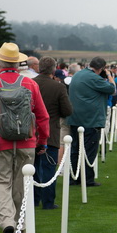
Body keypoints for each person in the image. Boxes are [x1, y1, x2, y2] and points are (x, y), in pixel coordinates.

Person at [0, 42, 50, 233]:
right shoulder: (30, 83)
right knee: (22, 184)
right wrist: (43, 140)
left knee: (0, 182)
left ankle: (7, 222)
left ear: (0, 61)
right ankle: (22, 224)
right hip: (26, 141)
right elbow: (43, 116)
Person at [67, 56, 115, 187]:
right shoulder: (94, 78)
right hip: (90, 120)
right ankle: (87, 179)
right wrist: (109, 76)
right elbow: (112, 89)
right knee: (89, 151)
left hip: (75, 118)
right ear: (101, 68)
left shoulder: (78, 74)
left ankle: (74, 177)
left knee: (75, 150)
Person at [33, 56, 73, 210]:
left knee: (33, 167)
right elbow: (67, 110)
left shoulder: (31, 83)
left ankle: (34, 200)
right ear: (54, 69)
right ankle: (48, 202)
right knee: (49, 168)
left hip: (32, 131)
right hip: (50, 131)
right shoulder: (58, 87)